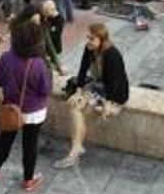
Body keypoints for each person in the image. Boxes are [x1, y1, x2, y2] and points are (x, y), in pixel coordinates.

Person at [0, 18, 51, 192]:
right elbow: (45, 90)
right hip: (34, 112)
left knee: (5, 140)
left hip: (11, 108)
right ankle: (28, 180)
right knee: (30, 145)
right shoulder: (39, 64)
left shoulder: (6, 58)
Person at [54, 23, 129, 169]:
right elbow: (82, 71)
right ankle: (76, 149)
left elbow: (115, 81)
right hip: (98, 86)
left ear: (102, 39)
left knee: (78, 110)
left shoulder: (112, 54)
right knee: (74, 106)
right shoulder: (89, 49)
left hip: (114, 92)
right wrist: (78, 91)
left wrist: (107, 102)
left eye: (92, 38)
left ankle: (75, 152)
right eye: (88, 37)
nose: (88, 41)